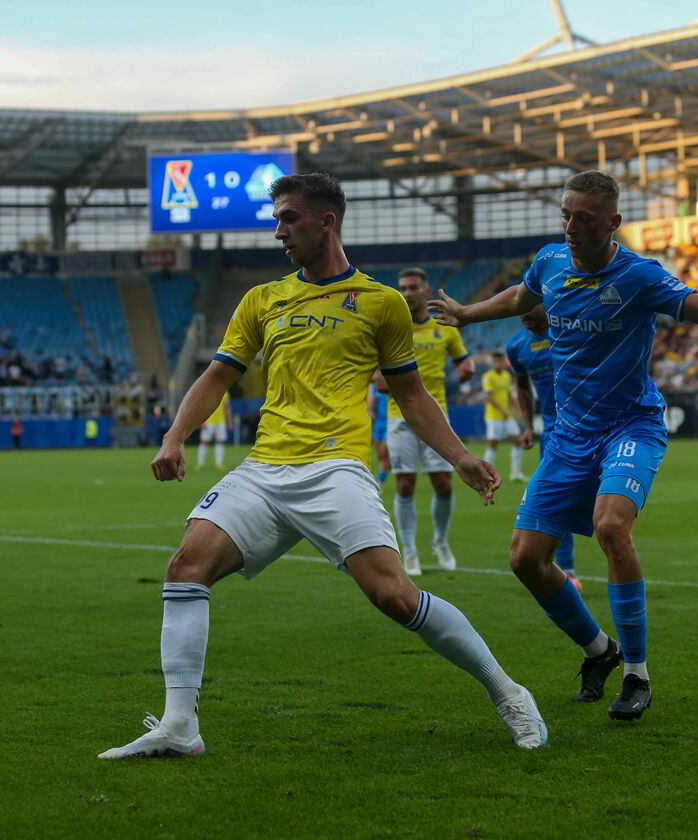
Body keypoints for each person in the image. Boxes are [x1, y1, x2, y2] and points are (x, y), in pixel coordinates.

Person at [99, 172, 547, 759]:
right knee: (185, 568)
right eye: (277, 218)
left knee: (395, 597)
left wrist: (461, 457)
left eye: (288, 218)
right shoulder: (263, 299)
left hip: (335, 469)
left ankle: (510, 693)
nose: (278, 230)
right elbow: (216, 377)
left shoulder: (382, 303)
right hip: (264, 469)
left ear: (325, 221)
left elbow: (411, 396)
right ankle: (181, 727)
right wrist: (176, 435)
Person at [428, 170, 698, 722]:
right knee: (526, 560)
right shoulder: (550, 261)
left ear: (612, 222)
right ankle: (599, 651)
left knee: (612, 526)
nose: (570, 225)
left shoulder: (639, 275)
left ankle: (636, 672)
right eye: (566, 213)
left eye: (583, 217)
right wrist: (469, 313)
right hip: (568, 437)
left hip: (629, 426)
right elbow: (523, 294)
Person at [380, 267, 474, 577]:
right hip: (399, 417)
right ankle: (409, 550)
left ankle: (441, 541)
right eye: (402, 288)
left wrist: (466, 369)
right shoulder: (392, 326)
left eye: (412, 288)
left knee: (444, 484)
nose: (406, 293)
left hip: (437, 416)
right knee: (405, 484)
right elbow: (374, 372)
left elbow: (463, 360)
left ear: (426, 291)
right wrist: (379, 379)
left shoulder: (445, 328)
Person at [505, 304, 583, 593]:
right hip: (552, 434)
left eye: (527, 304)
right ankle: (568, 571)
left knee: (606, 504)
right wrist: (528, 425)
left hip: (589, 426)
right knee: (557, 502)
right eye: (519, 307)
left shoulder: (570, 331)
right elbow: (522, 386)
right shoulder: (516, 346)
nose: (522, 312)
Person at [481, 350, 528, 482]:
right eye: (496, 360)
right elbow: (489, 397)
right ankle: (486, 475)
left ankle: (516, 473)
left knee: (518, 441)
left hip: (506, 416)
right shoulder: (488, 377)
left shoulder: (507, 376)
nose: (498, 363)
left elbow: (507, 395)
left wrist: (518, 407)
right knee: (493, 445)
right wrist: (502, 410)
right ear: (493, 362)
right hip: (494, 417)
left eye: (500, 360)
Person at [196, 391, 231, 470]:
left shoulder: (226, 393)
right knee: (204, 441)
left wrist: (229, 421)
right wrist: (202, 420)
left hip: (221, 421)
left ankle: (219, 464)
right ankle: (200, 464)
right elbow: (202, 407)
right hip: (209, 421)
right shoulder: (209, 390)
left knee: (220, 441)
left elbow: (227, 408)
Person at [367, 382, 391, 486]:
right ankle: (390, 465)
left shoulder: (392, 384)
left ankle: (379, 484)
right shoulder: (375, 387)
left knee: (384, 452)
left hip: (389, 423)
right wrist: (370, 410)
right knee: (381, 457)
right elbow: (371, 404)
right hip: (378, 424)